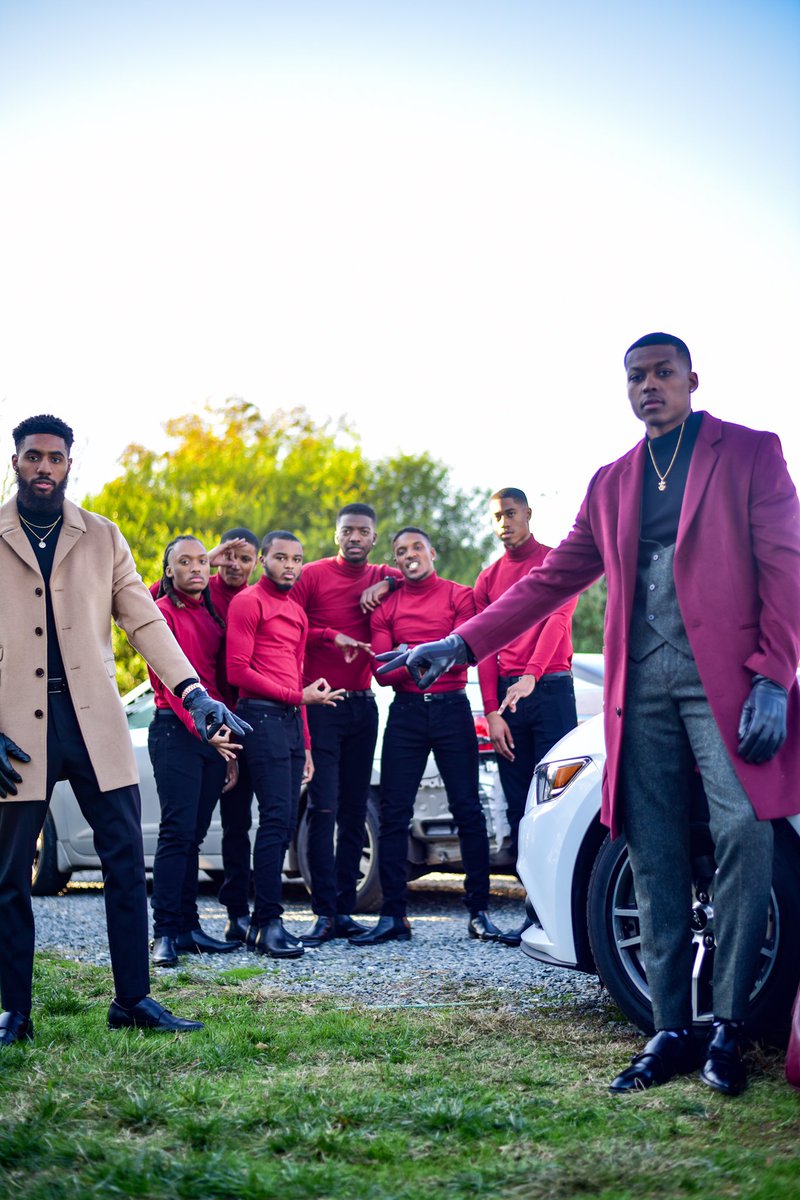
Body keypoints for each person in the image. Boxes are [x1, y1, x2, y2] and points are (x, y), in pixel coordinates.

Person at [378, 334, 800, 1096]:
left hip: (727, 682)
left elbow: (785, 562)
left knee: (742, 828)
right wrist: (460, 644)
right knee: (652, 844)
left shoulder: (749, 452)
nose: (649, 386)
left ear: (691, 379)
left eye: (663, 373)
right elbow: (547, 581)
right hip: (640, 688)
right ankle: (671, 1028)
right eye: (636, 376)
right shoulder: (612, 483)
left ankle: (729, 1027)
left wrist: (774, 675)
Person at [0, 415, 249, 1046]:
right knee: (8, 876)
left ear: (69, 465)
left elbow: (144, 622)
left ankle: (133, 999)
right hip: (14, 729)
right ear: (16, 462)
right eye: (34, 457)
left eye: (55, 458)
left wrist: (194, 692)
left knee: (122, 861)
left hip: (94, 723)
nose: (45, 468)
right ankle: (15, 1013)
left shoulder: (103, 537)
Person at [353, 526, 516, 947]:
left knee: (467, 810)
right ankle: (393, 916)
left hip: (451, 709)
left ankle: (479, 912)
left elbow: (461, 654)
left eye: (417, 548)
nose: (410, 555)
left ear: (433, 552)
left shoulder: (460, 596)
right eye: (401, 550)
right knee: (393, 814)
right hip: (406, 714)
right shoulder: (386, 603)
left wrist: (410, 648)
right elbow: (382, 673)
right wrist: (429, 650)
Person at [226, 530, 343, 958]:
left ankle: (264, 924)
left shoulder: (296, 609)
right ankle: (265, 922)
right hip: (259, 717)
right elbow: (237, 671)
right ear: (262, 561)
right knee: (274, 821)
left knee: (284, 822)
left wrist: (307, 743)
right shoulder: (248, 602)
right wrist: (298, 698)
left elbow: (296, 674)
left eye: (297, 559)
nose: (290, 566)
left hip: (292, 723)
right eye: (280, 558)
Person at [290, 503, 402, 947]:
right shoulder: (313, 575)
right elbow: (293, 627)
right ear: (336, 536)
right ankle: (324, 913)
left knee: (356, 811)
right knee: (324, 809)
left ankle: (345, 911)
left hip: (363, 706)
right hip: (320, 706)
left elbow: (415, 572)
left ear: (373, 538)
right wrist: (328, 636)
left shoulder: (381, 574)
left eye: (363, 532)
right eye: (347, 531)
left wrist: (390, 581)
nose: (355, 538)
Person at [148, 535, 244, 966]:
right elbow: (170, 692)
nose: (197, 568)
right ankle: (164, 933)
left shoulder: (211, 613)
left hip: (212, 735)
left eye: (203, 561)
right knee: (175, 832)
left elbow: (220, 682)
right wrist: (206, 733)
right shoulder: (159, 613)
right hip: (175, 730)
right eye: (184, 562)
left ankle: (188, 928)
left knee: (194, 838)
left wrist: (223, 742)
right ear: (168, 571)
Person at [475, 488, 578, 878]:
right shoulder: (487, 579)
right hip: (509, 704)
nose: (505, 522)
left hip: (550, 689)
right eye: (498, 516)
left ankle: (560, 907)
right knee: (519, 804)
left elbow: (558, 618)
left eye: (511, 513)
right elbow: (483, 646)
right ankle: (530, 908)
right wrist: (491, 712)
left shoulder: (554, 561)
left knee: (557, 800)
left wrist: (532, 674)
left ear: (528, 513)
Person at [206, 527, 261, 943]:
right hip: (214, 725)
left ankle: (267, 909)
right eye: (229, 557)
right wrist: (207, 558)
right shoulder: (201, 590)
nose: (235, 565)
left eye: (245, 558)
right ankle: (235, 912)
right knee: (234, 823)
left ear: (256, 562)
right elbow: (151, 598)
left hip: (258, 716)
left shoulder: (260, 599)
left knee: (273, 821)